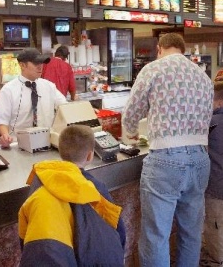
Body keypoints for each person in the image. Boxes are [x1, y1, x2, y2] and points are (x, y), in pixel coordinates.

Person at [122, 33, 214, 266]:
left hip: (166, 159)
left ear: (159, 48)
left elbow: (132, 111)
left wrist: (130, 132)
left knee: (156, 236)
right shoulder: (202, 75)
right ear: (182, 49)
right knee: (191, 233)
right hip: (201, 158)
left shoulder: (153, 69)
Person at [18, 124, 126, 266]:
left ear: (60, 151)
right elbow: (117, 232)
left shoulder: (37, 191)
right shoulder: (96, 191)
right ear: (90, 155)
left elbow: (25, 238)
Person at [0, 47, 67, 148]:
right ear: (22, 65)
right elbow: (2, 120)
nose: (40, 67)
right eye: (36, 63)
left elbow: (65, 107)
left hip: (47, 142)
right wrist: (5, 136)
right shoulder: (8, 90)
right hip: (19, 145)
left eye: (41, 63)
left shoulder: (49, 86)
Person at [204, 81, 223, 263]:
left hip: (217, 188)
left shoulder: (212, 124)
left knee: (215, 227)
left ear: (219, 103)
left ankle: (217, 262)